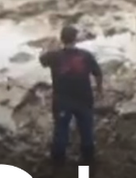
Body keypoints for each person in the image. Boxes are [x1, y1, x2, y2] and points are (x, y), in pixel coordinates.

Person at [39, 25, 103, 166]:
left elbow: (42, 60)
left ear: (62, 39)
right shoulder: (86, 55)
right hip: (84, 98)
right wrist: (99, 90)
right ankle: (88, 159)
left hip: (62, 100)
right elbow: (98, 73)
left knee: (61, 130)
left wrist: (49, 46)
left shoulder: (54, 56)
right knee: (86, 129)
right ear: (76, 39)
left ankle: (58, 161)